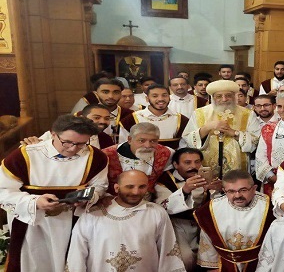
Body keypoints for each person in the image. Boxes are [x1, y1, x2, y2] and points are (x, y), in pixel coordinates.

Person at [0, 115, 108, 272]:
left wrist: (88, 197)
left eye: (81, 144)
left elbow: (100, 186)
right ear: (52, 134)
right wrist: (35, 202)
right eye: (67, 142)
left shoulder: (96, 157)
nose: (72, 149)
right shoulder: (24, 156)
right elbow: (3, 190)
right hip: (33, 225)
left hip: (75, 224)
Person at [65, 170, 185, 271]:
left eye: (142, 187)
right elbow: (77, 253)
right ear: (117, 188)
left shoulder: (156, 212)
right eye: (129, 186)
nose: (136, 192)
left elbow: (168, 251)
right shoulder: (92, 214)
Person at [155, 148, 221, 271]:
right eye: (187, 162)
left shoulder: (207, 177)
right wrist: (185, 190)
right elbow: (162, 208)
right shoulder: (164, 181)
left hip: (202, 225)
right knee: (185, 259)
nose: (193, 166)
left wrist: (217, 191)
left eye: (197, 162)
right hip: (176, 225)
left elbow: (216, 207)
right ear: (175, 164)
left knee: (210, 257)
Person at [194, 170, 274, 271]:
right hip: (224, 266)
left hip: (261, 265)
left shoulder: (270, 208)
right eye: (231, 191)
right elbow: (207, 244)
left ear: (254, 189)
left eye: (243, 190)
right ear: (224, 190)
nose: (237, 195)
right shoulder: (211, 209)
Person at [184, 80, 261, 178]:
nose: (224, 99)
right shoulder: (199, 113)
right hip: (207, 165)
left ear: (234, 96)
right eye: (219, 96)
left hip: (238, 166)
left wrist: (234, 133)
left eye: (228, 95)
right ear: (213, 97)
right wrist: (208, 127)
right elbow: (188, 139)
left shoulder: (248, 114)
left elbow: (256, 140)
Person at [102, 122, 174, 197]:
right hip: (115, 200)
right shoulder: (106, 155)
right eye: (141, 140)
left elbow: (165, 179)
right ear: (129, 139)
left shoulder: (165, 153)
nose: (147, 146)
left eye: (153, 141)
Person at [119, 84, 189, 149]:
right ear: (147, 98)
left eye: (164, 95)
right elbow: (124, 146)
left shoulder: (182, 120)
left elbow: (185, 146)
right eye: (155, 96)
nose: (160, 99)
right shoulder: (130, 120)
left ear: (169, 97)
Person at [21, 104, 115, 149]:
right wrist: (33, 145)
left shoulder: (105, 139)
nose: (103, 121)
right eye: (97, 118)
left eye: (107, 118)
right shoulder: (60, 133)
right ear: (82, 117)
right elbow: (31, 147)